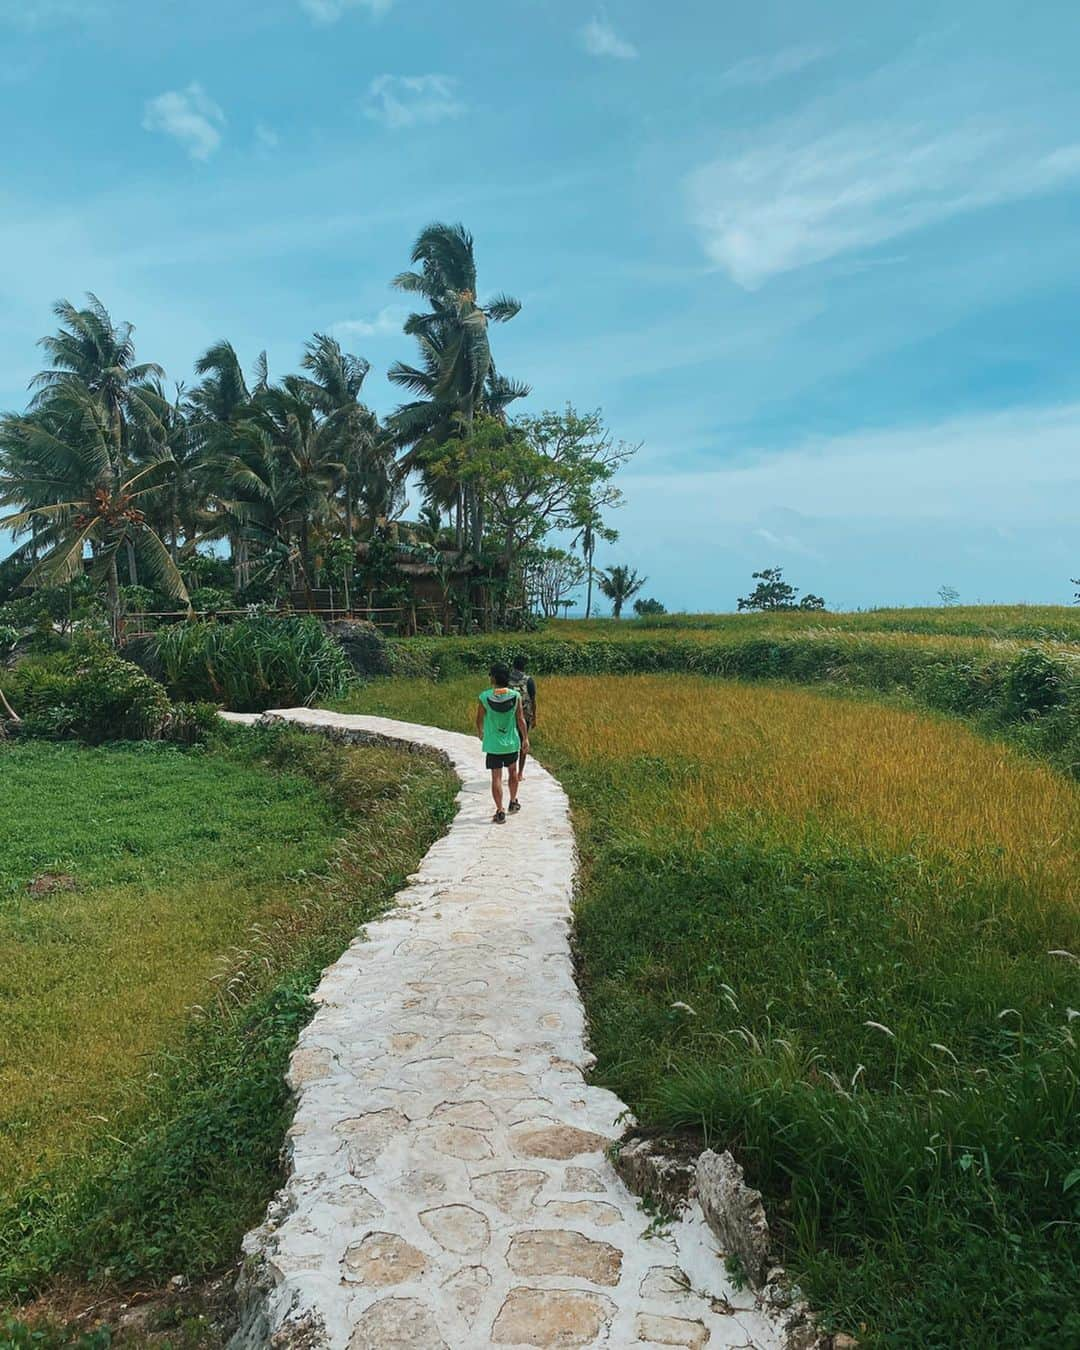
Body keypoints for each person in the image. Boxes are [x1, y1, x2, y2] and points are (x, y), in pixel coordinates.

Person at [476, 661, 530, 824]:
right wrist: (525, 738)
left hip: (493, 744)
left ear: (493, 678)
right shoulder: (515, 696)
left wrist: (481, 732)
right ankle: (513, 801)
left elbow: (478, 719)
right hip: (511, 742)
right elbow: (520, 719)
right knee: (512, 773)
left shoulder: (484, 697)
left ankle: (500, 810)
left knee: (496, 777)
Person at [507, 654, 537, 780]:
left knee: (511, 743)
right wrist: (535, 716)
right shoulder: (528, 680)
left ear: (513, 665)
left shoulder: (506, 679)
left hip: (509, 716)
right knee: (523, 742)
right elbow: (533, 700)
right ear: (524, 666)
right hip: (525, 716)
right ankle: (520, 774)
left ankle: (511, 772)